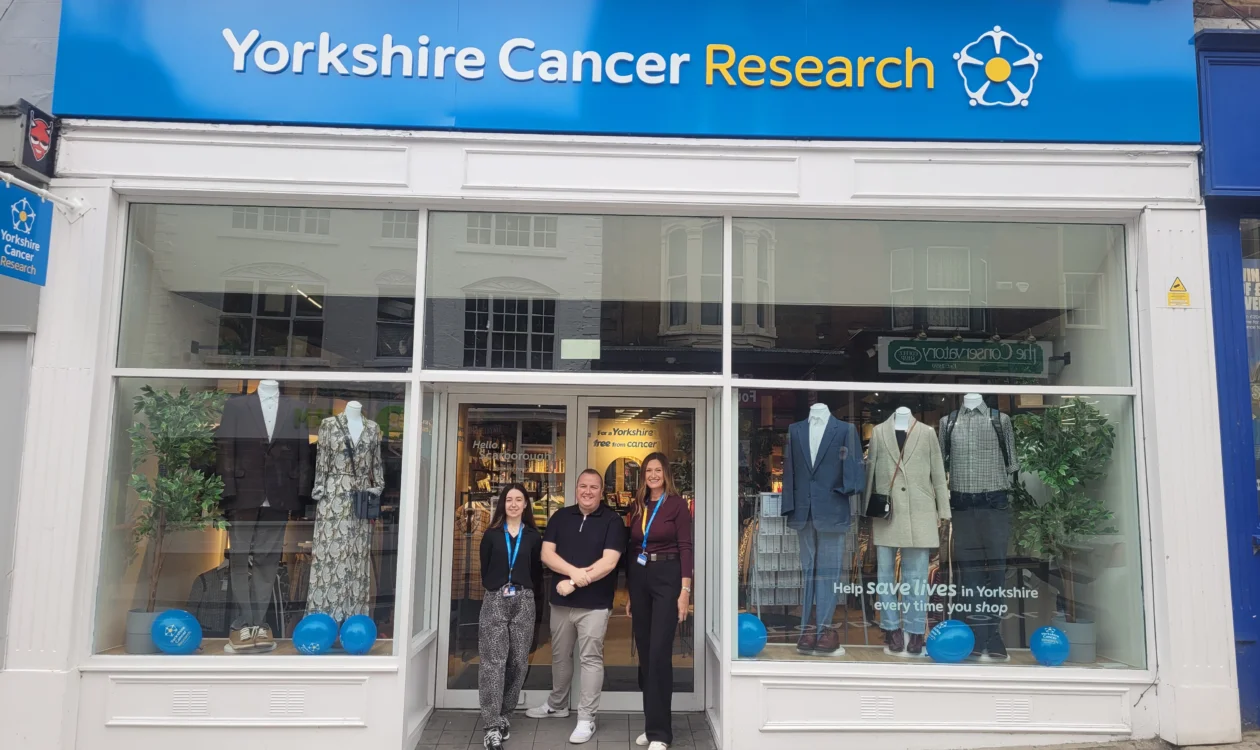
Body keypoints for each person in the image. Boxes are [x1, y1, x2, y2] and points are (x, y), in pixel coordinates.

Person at [526, 468, 626, 744]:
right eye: (583, 486)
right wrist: (573, 575)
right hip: (561, 602)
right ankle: (557, 705)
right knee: (559, 656)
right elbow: (547, 554)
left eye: (593, 487)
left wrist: (573, 582)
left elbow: (609, 563)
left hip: (595, 604)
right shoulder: (561, 516)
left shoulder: (612, 521)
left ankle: (586, 718)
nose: (587, 491)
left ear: (601, 491)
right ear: (576, 488)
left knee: (590, 659)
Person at [625, 452, 692, 750]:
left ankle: (662, 734)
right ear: (644, 476)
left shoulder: (677, 505)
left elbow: (686, 548)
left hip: (668, 576)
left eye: (657, 470)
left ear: (666, 473)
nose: (653, 475)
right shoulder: (638, 505)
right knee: (645, 655)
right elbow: (632, 548)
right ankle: (651, 724)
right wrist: (629, 591)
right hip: (640, 579)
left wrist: (685, 592)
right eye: (648, 471)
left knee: (660, 654)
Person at [478, 483, 544, 750]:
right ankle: (491, 725)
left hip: (524, 601)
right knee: (493, 662)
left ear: (526, 504)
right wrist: (499, 586)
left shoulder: (533, 537)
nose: (514, 504)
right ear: (502, 504)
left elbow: (537, 573)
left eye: (519, 500)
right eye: (509, 500)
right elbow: (485, 569)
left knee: (518, 662)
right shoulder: (492, 535)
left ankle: (505, 715)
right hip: (495, 599)